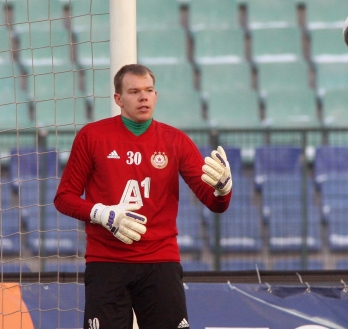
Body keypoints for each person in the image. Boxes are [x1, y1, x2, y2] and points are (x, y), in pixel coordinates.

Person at [54, 64, 232, 329]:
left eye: (148, 90)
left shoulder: (176, 140)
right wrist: (101, 213)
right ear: (118, 99)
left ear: (156, 95)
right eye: (134, 91)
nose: (143, 97)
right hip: (107, 261)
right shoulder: (92, 137)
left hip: (160, 260)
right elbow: (64, 197)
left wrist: (223, 189)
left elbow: (215, 204)